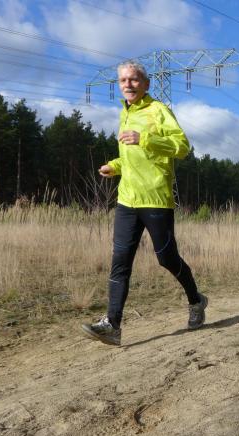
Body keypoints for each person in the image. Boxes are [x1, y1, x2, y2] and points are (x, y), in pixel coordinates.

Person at [81, 60, 206, 346]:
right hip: (127, 199)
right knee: (120, 261)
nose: (128, 84)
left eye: (134, 79)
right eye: (123, 80)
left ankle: (196, 300)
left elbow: (182, 147)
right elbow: (132, 157)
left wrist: (145, 138)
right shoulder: (124, 114)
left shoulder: (158, 110)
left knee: (167, 259)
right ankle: (112, 324)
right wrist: (114, 166)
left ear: (146, 84)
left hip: (156, 198)